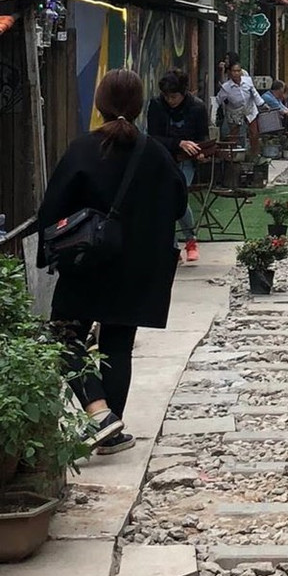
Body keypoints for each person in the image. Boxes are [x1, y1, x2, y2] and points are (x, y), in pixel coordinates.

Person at [37, 70, 186, 455]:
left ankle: (99, 413)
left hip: (87, 262)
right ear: (138, 106)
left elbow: (52, 208)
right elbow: (178, 204)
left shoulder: (83, 149)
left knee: (64, 336)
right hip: (136, 266)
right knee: (117, 344)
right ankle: (110, 428)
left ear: (101, 103)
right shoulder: (153, 151)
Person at [146, 69, 209, 263]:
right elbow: (153, 137)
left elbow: (203, 136)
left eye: (174, 96)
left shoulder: (197, 107)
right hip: (163, 158)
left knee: (176, 197)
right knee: (166, 200)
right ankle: (173, 245)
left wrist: (201, 152)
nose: (170, 100)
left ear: (183, 93)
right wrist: (178, 143)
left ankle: (189, 240)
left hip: (187, 162)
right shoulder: (156, 106)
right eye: (167, 96)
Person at [216, 59, 264, 156]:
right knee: (234, 134)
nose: (236, 73)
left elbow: (254, 93)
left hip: (249, 109)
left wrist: (261, 104)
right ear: (230, 72)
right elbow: (218, 100)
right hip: (235, 111)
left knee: (254, 133)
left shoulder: (248, 81)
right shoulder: (226, 87)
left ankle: (255, 155)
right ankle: (232, 156)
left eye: (238, 71)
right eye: (234, 71)